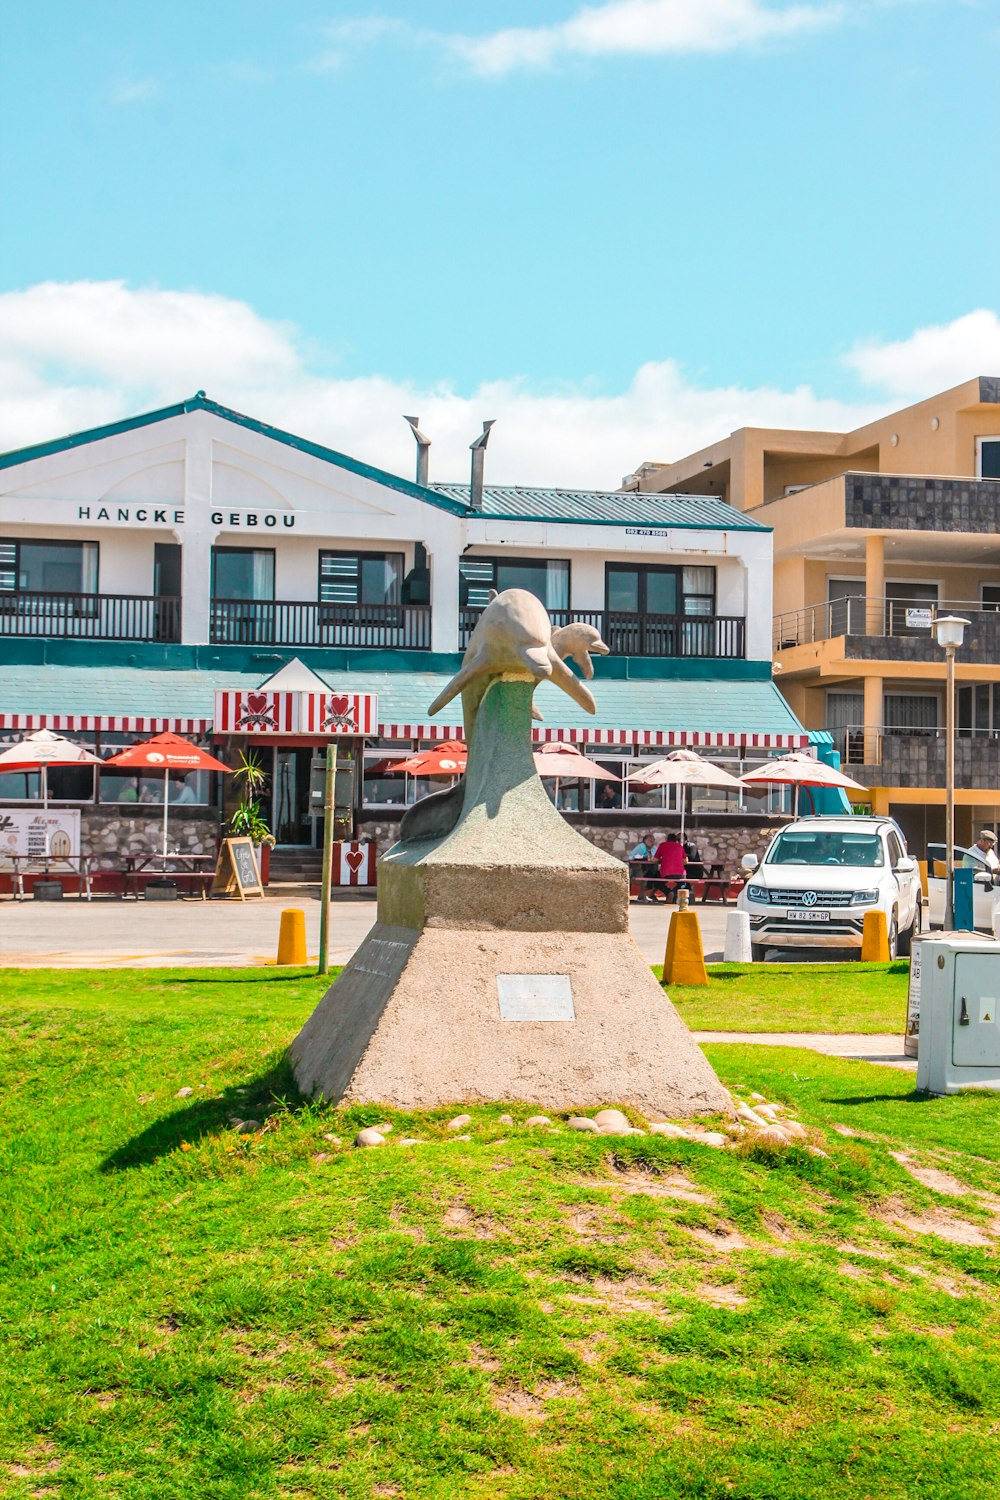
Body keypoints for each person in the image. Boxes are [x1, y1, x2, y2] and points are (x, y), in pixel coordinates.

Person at [654, 834, 687, 902]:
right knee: (683, 882)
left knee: (656, 880)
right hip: (681, 873)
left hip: (666, 872)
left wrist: (662, 860)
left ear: (667, 839)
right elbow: (686, 861)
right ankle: (674, 892)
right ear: (675, 840)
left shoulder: (663, 845)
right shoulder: (680, 846)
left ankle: (668, 892)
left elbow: (654, 860)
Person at [628, 832, 658, 903]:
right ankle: (642, 897)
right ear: (645, 841)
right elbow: (631, 857)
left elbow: (655, 857)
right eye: (650, 840)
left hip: (649, 868)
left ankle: (642, 896)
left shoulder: (654, 848)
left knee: (650, 877)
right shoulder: (641, 847)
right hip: (635, 868)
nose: (652, 842)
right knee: (643, 879)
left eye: (653, 840)